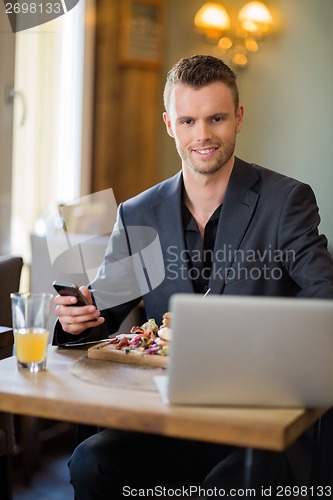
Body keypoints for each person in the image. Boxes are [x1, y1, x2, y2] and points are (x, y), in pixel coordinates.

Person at [54, 55, 333, 499]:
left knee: (228, 485)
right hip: (168, 417)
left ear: (238, 118)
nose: (202, 135)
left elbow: (324, 303)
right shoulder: (137, 212)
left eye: (216, 118)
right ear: (170, 124)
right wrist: (76, 318)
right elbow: (104, 312)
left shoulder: (288, 201)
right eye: (188, 120)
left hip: (257, 424)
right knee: (93, 461)